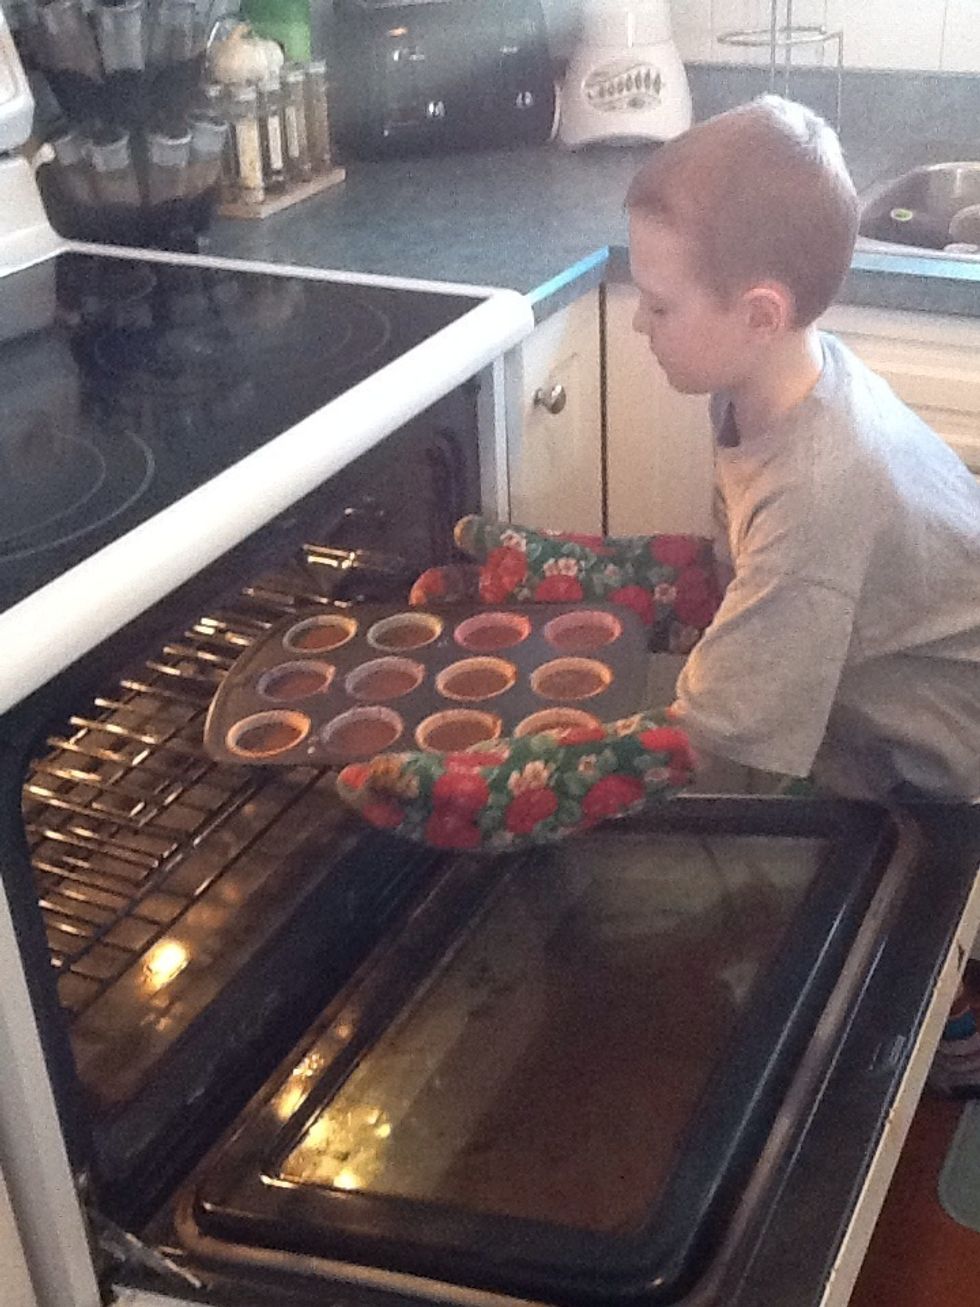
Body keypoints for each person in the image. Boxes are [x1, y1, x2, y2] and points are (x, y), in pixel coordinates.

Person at [336, 96, 980, 1083]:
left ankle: (956, 1030)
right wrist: (573, 574)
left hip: (955, 766)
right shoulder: (771, 382)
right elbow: (737, 577)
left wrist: (520, 791)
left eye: (661, 304)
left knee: (914, 985)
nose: (637, 322)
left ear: (755, 313)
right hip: (896, 700)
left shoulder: (819, 487)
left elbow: (707, 728)